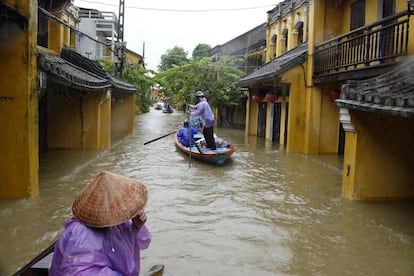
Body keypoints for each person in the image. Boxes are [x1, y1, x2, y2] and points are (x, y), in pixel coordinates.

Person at [49, 171, 151, 276]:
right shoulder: (81, 234)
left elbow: (144, 243)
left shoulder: (120, 222)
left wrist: (137, 227)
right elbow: (77, 272)